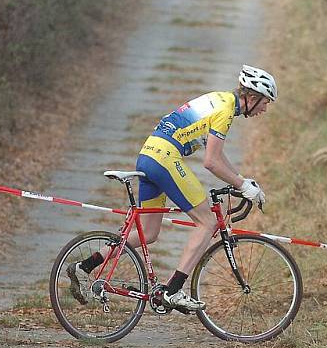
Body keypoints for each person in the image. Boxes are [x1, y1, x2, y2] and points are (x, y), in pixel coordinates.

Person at [67, 65, 277, 312]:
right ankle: (173, 290)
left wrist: (240, 180)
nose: (265, 108)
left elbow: (218, 156)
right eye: (265, 102)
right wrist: (242, 185)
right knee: (207, 223)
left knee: (149, 232)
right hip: (165, 158)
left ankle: (85, 266)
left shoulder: (220, 99)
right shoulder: (226, 110)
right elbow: (211, 161)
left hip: (148, 155)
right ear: (251, 97)